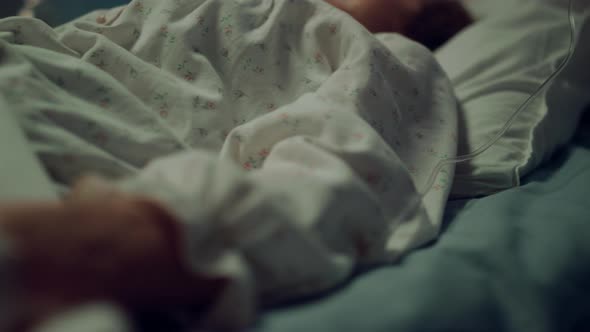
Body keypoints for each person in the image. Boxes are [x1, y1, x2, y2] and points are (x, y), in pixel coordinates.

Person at [0, 0, 472, 330]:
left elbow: (339, 178)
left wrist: (125, 240)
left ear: (415, 7)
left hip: (44, 149)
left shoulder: (384, 50)